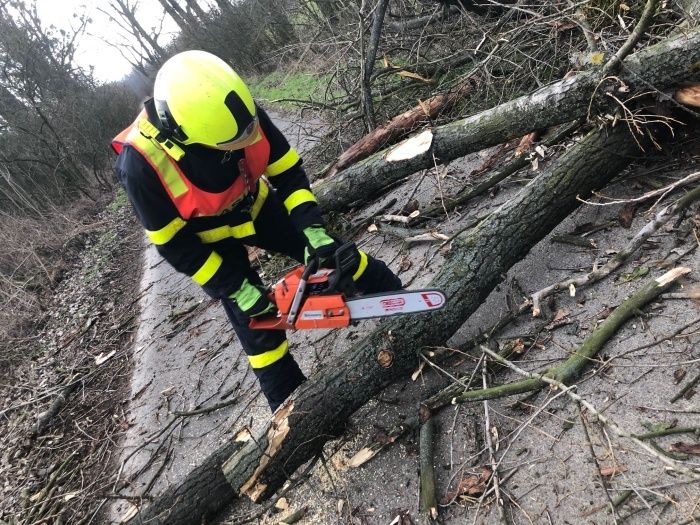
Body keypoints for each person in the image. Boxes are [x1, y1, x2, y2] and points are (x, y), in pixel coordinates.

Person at [112, 50, 402, 411]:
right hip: (207, 241)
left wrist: (312, 230)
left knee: (336, 254)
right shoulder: (141, 166)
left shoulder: (243, 116)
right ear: (180, 137)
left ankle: (397, 300)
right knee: (256, 321)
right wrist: (235, 288)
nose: (242, 146)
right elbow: (174, 246)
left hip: (255, 203)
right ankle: (296, 408)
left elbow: (287, 172)